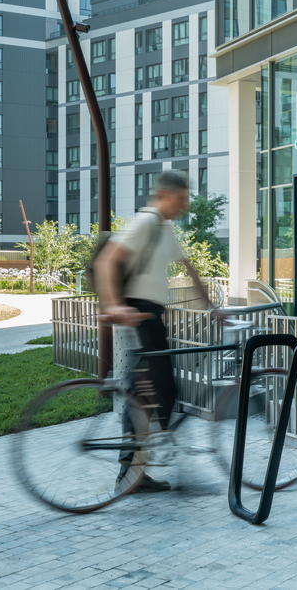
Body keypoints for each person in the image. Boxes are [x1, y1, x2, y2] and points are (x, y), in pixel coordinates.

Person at [94, 169, 220, 492]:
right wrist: (113, 306)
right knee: (157, 393)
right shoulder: (147, 222)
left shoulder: (165, 228)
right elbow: (106, 262)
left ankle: (136, 471)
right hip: (140, 313)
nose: (184, 206)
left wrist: (213, 308)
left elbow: (188, 268)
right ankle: (130, 473)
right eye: (181, 199)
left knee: (152, 393)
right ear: (164, 195)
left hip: (151, 315)